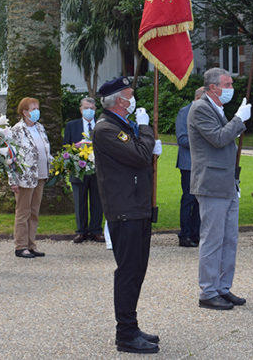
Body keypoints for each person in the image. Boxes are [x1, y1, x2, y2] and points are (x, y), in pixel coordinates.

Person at [92, 76, 162, 354]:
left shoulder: (120, 125)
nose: (133, 100)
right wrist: (146, 129)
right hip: (125, 210)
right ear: (120, 100)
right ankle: (125, 334)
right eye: (130, 95)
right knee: (128, 272)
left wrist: (144, 137)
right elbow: (140, 156)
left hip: (137, 207)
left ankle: (131, 326)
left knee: (137, 270)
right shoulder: (106, 129)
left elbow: (140, 156)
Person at [187, 68, 251, 310]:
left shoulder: (217, 108)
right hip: (211, 183)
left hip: (226, 183)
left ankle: (223, 287)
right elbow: (218, 138)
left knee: (229, 239)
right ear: (213, 87)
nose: (230, 88)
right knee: (213, 239)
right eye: (227, 84)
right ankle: (208, 291)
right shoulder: (201, 108)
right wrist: (239, 119)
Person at [9, 97, 51, 259]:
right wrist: (13, 180)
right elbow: (10, 156)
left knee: (34, 211)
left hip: (40, 175)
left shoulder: (40, 127)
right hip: (24, 177)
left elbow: (45, 149)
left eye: (37, 108)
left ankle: (31, 244)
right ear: (25, 112)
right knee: (23, 212)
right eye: (33, 109)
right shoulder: (17, 130)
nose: (36, 112)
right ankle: (20, 246)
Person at [63, 96, 104, 243]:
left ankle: (96, 230)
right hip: (78, 170)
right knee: (79, 201)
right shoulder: (71, 126)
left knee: (97, 201)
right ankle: (81, 231)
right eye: (86, 108)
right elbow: (65, 148)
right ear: (81, 109)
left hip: (98, 170)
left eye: (92, 109)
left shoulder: (101, 125)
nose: (89, 111)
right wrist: (76, 149)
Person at [175, 86, 204, 247]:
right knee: (189, 199)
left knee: (200, 200)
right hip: (189, 163)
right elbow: (182, 139)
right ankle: (184, 234)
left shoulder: (207, 112)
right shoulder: (184, 112)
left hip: (204, 163)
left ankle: (196, 233)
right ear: (199, 97)